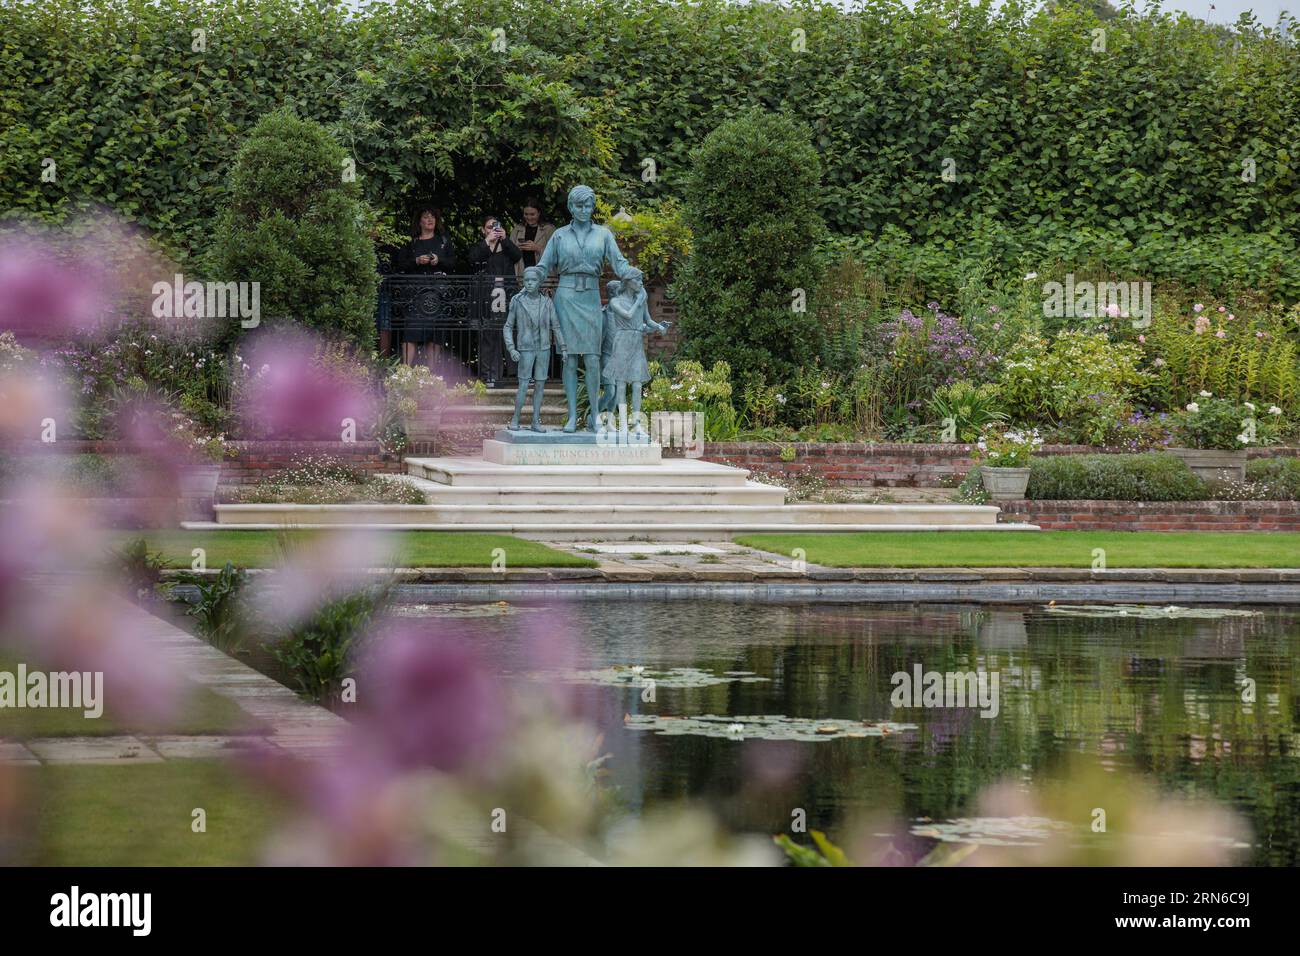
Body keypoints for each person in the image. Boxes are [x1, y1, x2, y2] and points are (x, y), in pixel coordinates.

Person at [535, 185, 637, 432]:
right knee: (569, 359)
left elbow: (619, 263)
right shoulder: (559, 235)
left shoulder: (603, 235)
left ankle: (594, 416)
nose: (583, 210)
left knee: (592, 359)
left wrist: (631, 274)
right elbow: (543, 266)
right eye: (578, 205)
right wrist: (531, 281)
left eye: (588, 205)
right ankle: (571, 416)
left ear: (592, 207)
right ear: (570, 207)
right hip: (566, 297)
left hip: (591, 297)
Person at [603, 268, 670, 433]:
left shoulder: (641, 300)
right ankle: (623, 423)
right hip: (622, 342)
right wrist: (639, 301)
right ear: (628, 282)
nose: (641, 283)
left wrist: (659, 327)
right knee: (620, 384)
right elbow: (627, 315)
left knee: (637, 384)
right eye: (638, 280)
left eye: (641, 280)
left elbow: (647, 320)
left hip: (636, 342)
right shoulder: (616, 301)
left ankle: (637, 422)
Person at [503, 266, 566, 431]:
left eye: (533, 280)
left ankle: (535, 421)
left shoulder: (547, 302)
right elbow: (508, 327)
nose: (529, 283)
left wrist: (564, 348)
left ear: (539, 282)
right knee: (523, 385)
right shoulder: (517, 301)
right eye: (527, 280)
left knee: (540, 385)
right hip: (525, 348)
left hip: (543, 348)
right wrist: (511, 349)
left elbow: (556, 327)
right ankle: (515, 419)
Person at [395, 207, 456, 366]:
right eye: (426, 217)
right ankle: (405, 374)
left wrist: (439, 260)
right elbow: (400, 264)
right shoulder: (411, 241)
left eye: (433, 217)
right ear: (419, 221)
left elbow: (453, 263)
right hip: (414, 294)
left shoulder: (443, 240)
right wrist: (416, 261)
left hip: (438, 294)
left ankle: (432, 375)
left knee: (435, 336)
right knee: (411, 334)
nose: (430, 220)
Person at [468, 216, 522, 386]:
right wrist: (487, 242)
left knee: (510, 333)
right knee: (488, 335)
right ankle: (490, 374)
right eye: (489, 227)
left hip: (507, 295)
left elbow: (517, 255)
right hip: (485, 297)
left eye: (496, 226)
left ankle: (514, 374)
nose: (493, 229)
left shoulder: (506, 247)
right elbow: (472, 260)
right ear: (484, 230)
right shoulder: (480, 246)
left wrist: (505, 239)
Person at [511, 198, 554, 278]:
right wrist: (516, 249)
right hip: (521, 275)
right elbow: (509, 253)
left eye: (532, 214)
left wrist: (537, 248)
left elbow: (555, 254)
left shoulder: (548, 229)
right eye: (526, 214)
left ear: (539, 213)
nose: (529, 217)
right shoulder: (517, 229)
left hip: (543, 277)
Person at [599, 279, 621, 415]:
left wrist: (657, 327)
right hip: (606, 356)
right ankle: (594, 414)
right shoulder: (603, 314)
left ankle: (609, 420)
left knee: (617, 393)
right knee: (610, 391)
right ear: (612, 293)